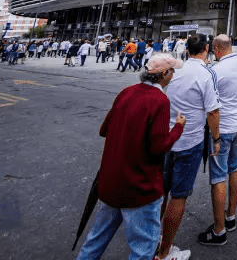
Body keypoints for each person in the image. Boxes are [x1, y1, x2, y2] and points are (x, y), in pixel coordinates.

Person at [75, 55, 186, 260]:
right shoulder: (160, 100)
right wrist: (178, 128)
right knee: (144, 246)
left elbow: (104, 129)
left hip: (112, 181)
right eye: (172, 72)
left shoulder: (126, 92)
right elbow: (158, 147)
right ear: (164, 74)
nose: (173, 76)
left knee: (96, 239)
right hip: (139, 186)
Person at [159, 35, 221, 260]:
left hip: (167, 139)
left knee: (161, 192)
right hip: (190, 142)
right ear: (207, 49)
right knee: (179, 196)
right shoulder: (206, 73)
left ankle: (154, 240)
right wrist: (216, 138)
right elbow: (213, 111)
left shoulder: (174, 71)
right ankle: (165, 252)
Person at [198, 35, 237, 246]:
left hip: (223, 127)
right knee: (236, 168)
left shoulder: (215, 71)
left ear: (217, 49)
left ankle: (219, 231)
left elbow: (209, 103)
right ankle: (231, 217)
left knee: (218, 176)